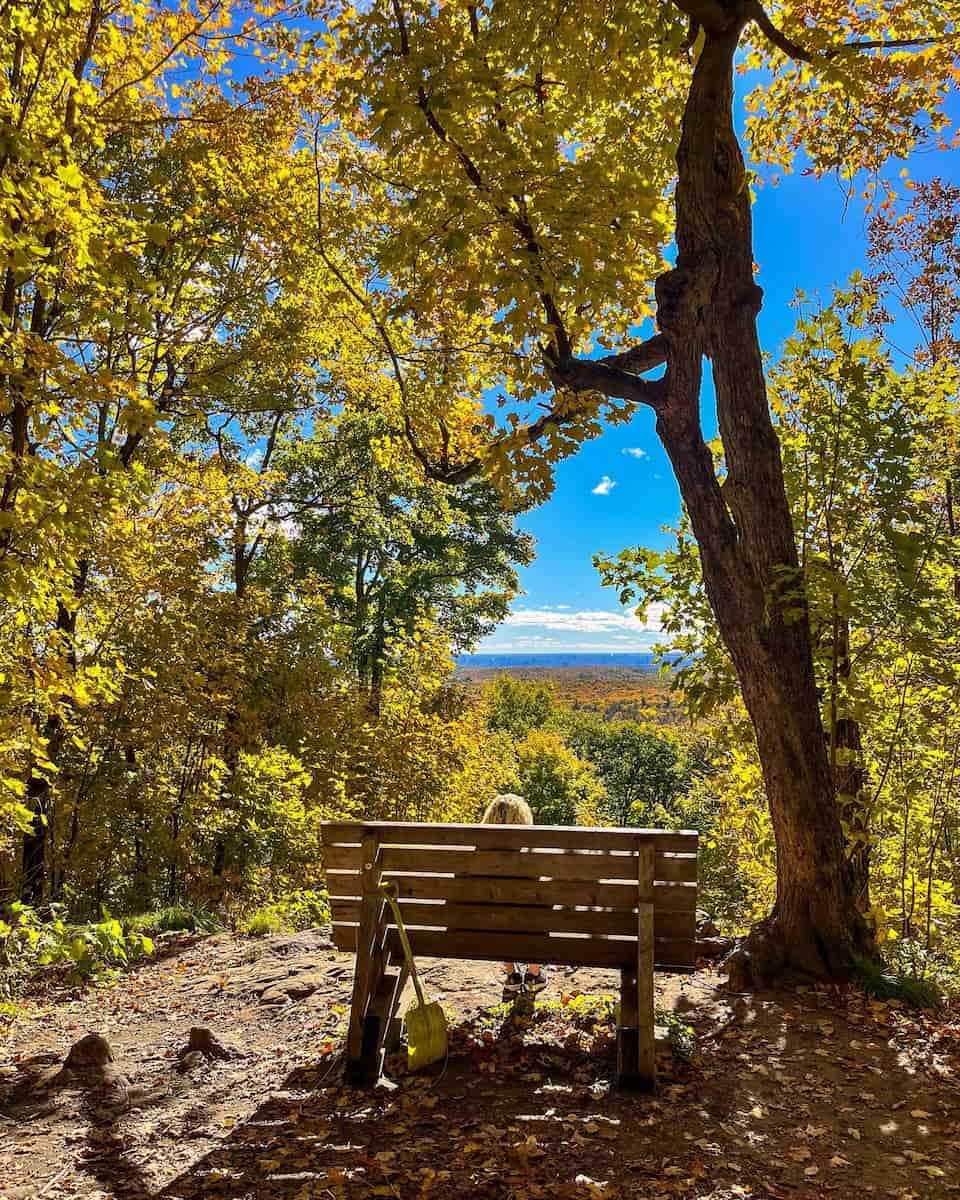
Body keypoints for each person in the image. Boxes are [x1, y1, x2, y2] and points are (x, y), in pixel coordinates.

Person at [480, 794, 547, 997]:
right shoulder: (532, 855)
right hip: (528, 924)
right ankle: (534, 974)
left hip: (488, 928)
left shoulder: (478, 853)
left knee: (495, 914)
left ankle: (512, 975)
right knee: (538, 910)